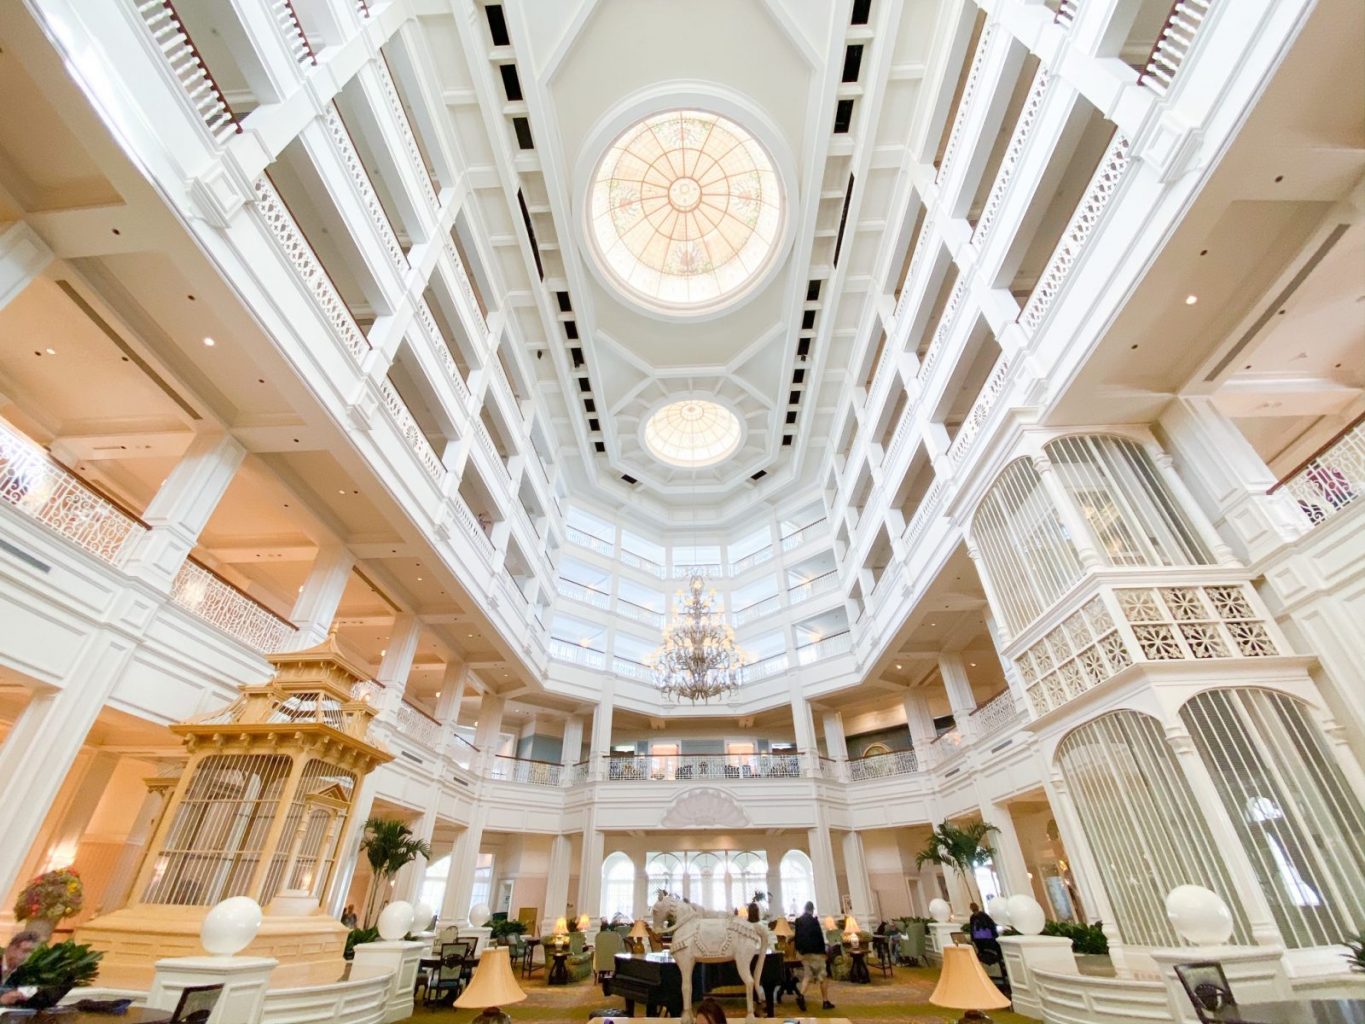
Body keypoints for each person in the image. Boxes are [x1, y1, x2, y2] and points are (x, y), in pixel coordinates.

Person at [792, 901, 834, 1012]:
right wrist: (824, 953)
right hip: (816, 954)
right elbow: (819, 937)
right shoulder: (814, 921)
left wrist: (799, 951)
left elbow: (797, 937)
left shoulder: (798, 921)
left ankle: (801, 995)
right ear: (812, 909)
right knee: (823, 977)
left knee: (807, 976)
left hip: (804, 954)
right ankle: (825, 1001)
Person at [0, 931, 40, 1007]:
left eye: (31, 953)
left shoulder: (23, 972)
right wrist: (1, 1000)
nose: (27, 956)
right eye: (25, 951)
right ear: (11, 948)